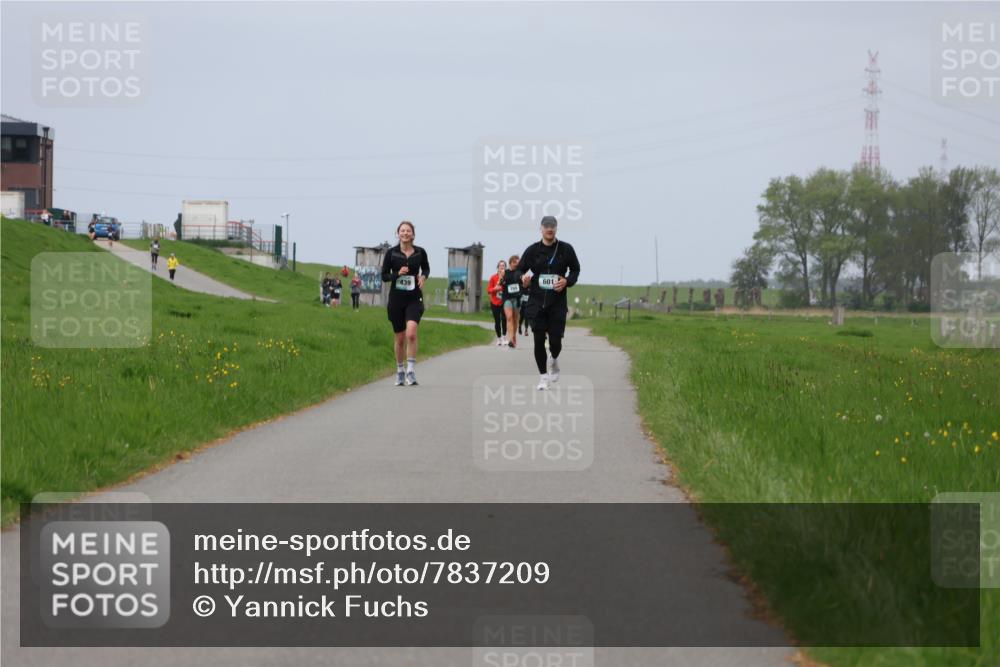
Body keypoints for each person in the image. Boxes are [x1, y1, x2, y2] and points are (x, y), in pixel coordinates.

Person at [519, 216, 580, 390]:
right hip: (536, 301)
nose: (549, 229)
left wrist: (567, 281)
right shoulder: (532, 250)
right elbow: (520, 270)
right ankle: (543, 377)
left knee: (555, 342)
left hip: (557, 303)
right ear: (541, 229)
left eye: (552, 226)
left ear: (556, 228)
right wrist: (523, 278)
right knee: (538, 339)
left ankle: (553, 359)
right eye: (546, 226)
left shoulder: (566, 249)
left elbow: (575, 269)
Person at [381, 221, 429, 386]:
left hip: (414, 297)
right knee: (400, 338)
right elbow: (384, 276)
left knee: (411, 334)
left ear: (413, 234)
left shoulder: (420, 252)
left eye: (408, 231)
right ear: (398, 234)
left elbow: (426, 269)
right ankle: (400, 370)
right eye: (402, 231)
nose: (405, 233)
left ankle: (410, 371)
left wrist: (423, 277)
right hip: (396, 299)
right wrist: (397, 274)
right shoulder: (391, 253)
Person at [502, 255, 523, 349]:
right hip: (507, 298)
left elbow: (523, 282)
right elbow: (500, 283)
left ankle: (514, 336)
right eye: (515, 262)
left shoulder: (519, 273)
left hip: (517, 298)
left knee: (515, 319)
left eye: (518, 263)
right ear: (510, 263)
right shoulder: (505, 273)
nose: (516, 264)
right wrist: (501, 281)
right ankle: (510, 339)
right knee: (509, 318)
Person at [487, 259, 508, 346]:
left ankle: (504, 337)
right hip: (495, 302)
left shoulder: (507, 277)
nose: (502, 267)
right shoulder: (493, 277)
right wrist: (494, 289)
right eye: (500, 266)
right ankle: (499, 338)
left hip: (504, 301)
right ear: (498, 267)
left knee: (504, 319)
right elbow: (488, 290)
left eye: (503, 266)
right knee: (497, 321)